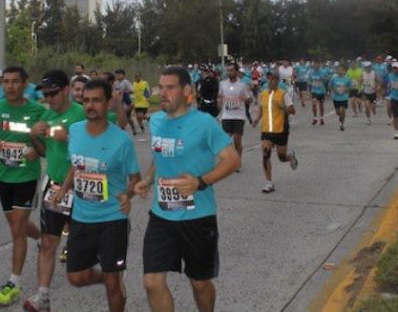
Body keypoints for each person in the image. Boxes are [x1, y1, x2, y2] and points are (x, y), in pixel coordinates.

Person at [133, 66, 240, 312]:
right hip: (161, 215)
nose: (163, 93)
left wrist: (200, 182)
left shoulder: (204, 123)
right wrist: (148, 179)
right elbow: (159, 156)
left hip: (198, 218)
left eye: (170, 87)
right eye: (161, 87)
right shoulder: (156, 120)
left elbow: (233, 160)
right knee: (152, 282)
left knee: (199, 283)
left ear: (187, 91)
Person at [52, 79, 142, 312]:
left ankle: (113, 281)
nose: (90, 105)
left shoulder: (121, 141)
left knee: (113, 284)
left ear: (107, 103)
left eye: (96, 100)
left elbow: (135, 178)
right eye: (86, 101)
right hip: (81, 218)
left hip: (112, 219)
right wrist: (64, 188)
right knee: (76, 276)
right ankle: (108, 278)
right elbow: (76, 165)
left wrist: (128, 195)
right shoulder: (75, 131)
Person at [0, 66, 47, 306]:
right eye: (6, 82)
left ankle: (14, 283)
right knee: (16, 224)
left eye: (15, 82)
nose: (9, 86)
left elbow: (46, 149)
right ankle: (42, 238)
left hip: (27, 176)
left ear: (25, 84)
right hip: (5, 176)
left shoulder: (37, 110)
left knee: (17, 229)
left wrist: (34, 146)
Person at [23, 70, 87, 312]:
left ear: (67, 91)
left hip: (81, 188)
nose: (49, 99)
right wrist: (34, 136)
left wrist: (69, 138)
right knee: (48, 241)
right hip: (54, 185)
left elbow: (86, 154)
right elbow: (43, 152)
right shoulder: (45, 115)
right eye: (45, 94)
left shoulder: (81, 115)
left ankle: (113, 283)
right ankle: (43, 296)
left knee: (87, 246)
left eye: (53, 93)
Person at [252, 71, 298, 193]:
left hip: (281, 129)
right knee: (265, 155)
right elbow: (261, 109)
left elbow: (293, 111)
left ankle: (290, 156)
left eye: (274, 79)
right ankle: (269, 183)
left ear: (278, 81)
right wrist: (256, 120)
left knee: (281, 157)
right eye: (270, 79)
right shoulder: (262, 94)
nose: (271, 81)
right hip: (266, 130)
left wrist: (282, 107)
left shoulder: (283, 94)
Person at [218, 62, 252, 171]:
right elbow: (219, 96)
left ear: (236, 72)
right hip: (226, 116)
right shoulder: (222, 84)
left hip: (239, 116)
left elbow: (249, 99)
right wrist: (219, 102)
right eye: (228, 70)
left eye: (231, 70)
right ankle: (228, 161)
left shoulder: (242, 85)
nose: (229, 72)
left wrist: (245, 99)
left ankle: (238, 162)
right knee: (226, 141)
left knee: (237, 140)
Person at [114, 69, 138, 136]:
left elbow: (132, 91)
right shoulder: (115, 83)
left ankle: (132, 127)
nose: (118, 76)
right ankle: (122, 130)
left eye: (119, 74)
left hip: (128, 102)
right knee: (123, 117)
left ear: (123, 75)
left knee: (127, 117)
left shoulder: (126, 82)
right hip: (120, 103)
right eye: (117, 74)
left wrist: (123, 92)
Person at [329, 64, 353, 131]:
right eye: (338, 70)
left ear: (344, 71)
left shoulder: (347, 78)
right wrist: (334, 90)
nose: (340, 71)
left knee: (342, 110)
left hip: (344, 97)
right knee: (338, 112)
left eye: (341, 70)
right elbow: (330, 85)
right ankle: (341, 116)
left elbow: (351, 87)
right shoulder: (334, 78)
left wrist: (346, 89)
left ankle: (342, 125)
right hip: (336, 98)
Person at [308, 60, 330, 125]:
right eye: (314, 64)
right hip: (314, 91)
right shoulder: (311, 72)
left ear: (319, 65)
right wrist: (311, 83)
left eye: (316, 64)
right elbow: (309, 80)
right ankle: (315, 118)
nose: (315, 66)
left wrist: (323, 79)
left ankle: (322, 118)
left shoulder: (323, 72)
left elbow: (327, 79)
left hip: (321, 91)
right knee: (314, 103)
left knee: (321, 105)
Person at [133, 73, 152, 140]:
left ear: (140, 77)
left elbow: (147, 90)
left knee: (140, 116)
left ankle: (148, 118)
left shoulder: (144, 83)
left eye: (137, 77)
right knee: (138, 118)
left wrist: (148, 97)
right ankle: (142, 128)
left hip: (144, 102)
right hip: (137, 103)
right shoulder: (134, 84)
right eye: (135, 77)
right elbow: (133, 92)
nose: (136, 78)